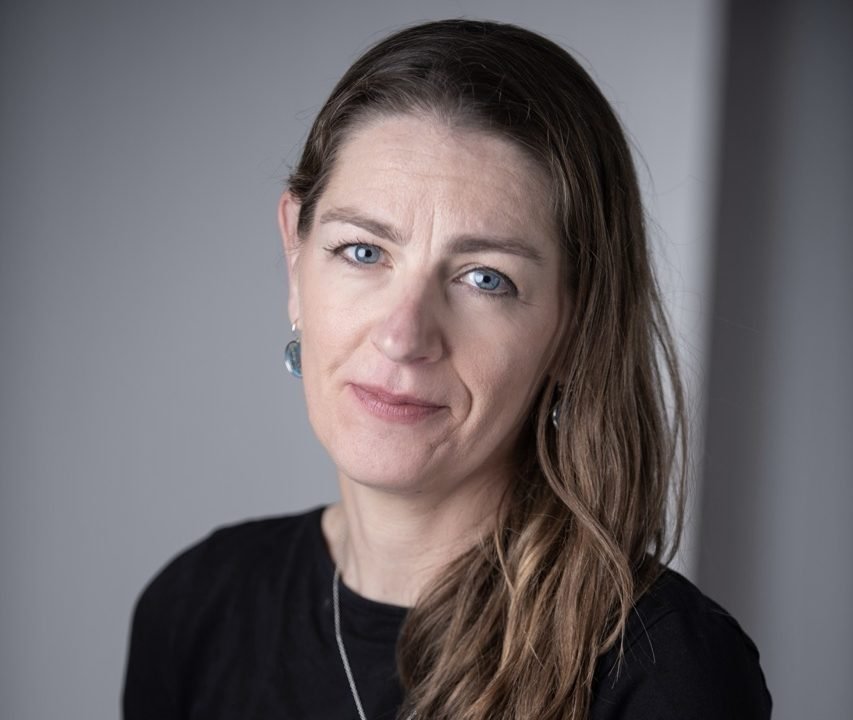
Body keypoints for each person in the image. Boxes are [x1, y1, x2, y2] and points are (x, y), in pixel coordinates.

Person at [123, 18, 771, 720]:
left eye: (484, 278)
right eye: (363, 251)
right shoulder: (196, 607)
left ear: (575, 326)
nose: (403, 337)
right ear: (295, 256)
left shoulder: (665, 671)